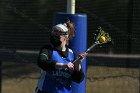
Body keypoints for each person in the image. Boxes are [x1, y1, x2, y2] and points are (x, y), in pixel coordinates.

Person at [35, 20, 87, 93]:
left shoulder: (72, 55)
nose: (54, 36)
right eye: (54, 33)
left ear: (66, 36)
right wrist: (63, 65)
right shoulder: (47, 49)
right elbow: (42, 62)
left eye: (58, 34)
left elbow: (78, 79)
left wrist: (78, 64)